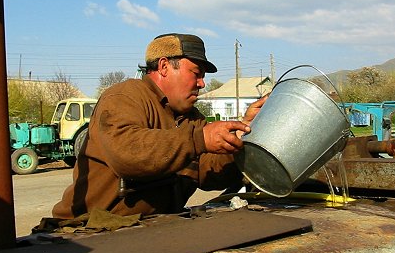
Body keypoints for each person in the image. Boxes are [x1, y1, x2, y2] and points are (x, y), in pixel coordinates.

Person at [52, 33, 267, 219]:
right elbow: (127, 154)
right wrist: (199, 139)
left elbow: (210, 173)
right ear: (164, 66)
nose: (202, 83)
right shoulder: (125, 97)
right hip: (90, 232)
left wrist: (242, 134)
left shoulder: (191, 118)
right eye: (196, 73)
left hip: (151, 231)